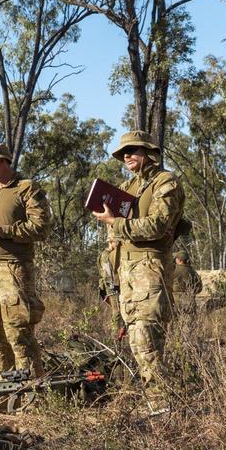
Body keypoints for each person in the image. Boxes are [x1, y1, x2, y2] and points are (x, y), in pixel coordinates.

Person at [94, 130, 186, 410]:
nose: (126, 157)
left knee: (147, 340)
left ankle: (162, 408)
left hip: (149, 270)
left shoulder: (165, 182)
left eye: (132, 151)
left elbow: (158, 225)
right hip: (127, 273)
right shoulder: (128, 186)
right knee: (135, 341)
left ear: (149, 153)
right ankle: (157, 405)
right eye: (123, 153)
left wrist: (115, 223)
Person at [0, 142, 52, 380]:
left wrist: (3, 231)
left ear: (3, 161)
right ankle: (3, 386)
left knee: (18, 331)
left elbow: (41, 228)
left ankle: (30, 389)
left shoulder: (27, 188)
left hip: (14, 268)